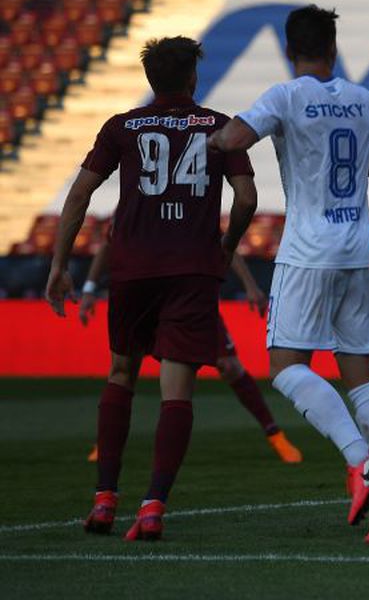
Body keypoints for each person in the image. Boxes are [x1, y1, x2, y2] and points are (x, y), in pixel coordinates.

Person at [209, 5, 369, 541]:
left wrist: (209, 140)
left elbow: (232, 141)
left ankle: (359, 459)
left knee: (284, 366)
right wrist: (350, 166)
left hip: (307, 252)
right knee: (362, 377)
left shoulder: (286, 95)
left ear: (288, 50)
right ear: (332, 48)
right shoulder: (364, 99)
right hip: (357, 251)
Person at [45, 36, 258, 540]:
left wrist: (59, 265)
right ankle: (153, 507)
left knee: (121, 371)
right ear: (192, 78)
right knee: (176, 388)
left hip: (133, 269)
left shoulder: (121, 127)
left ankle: (103, 501)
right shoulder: (219, 127)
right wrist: (225, 245)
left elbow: (79, 196)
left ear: (150, 80)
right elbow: (247, 197)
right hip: (190, 270)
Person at [79, 241, 302, 464]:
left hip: (190, 299)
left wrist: (250, 286)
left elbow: (225, 242)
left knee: (229, 366)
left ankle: (275, 435)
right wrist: (89, 289)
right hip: (147, 298)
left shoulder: (195, 206)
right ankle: (107, 443)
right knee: (126, 367)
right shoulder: (136, 207)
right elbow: (110, 243)